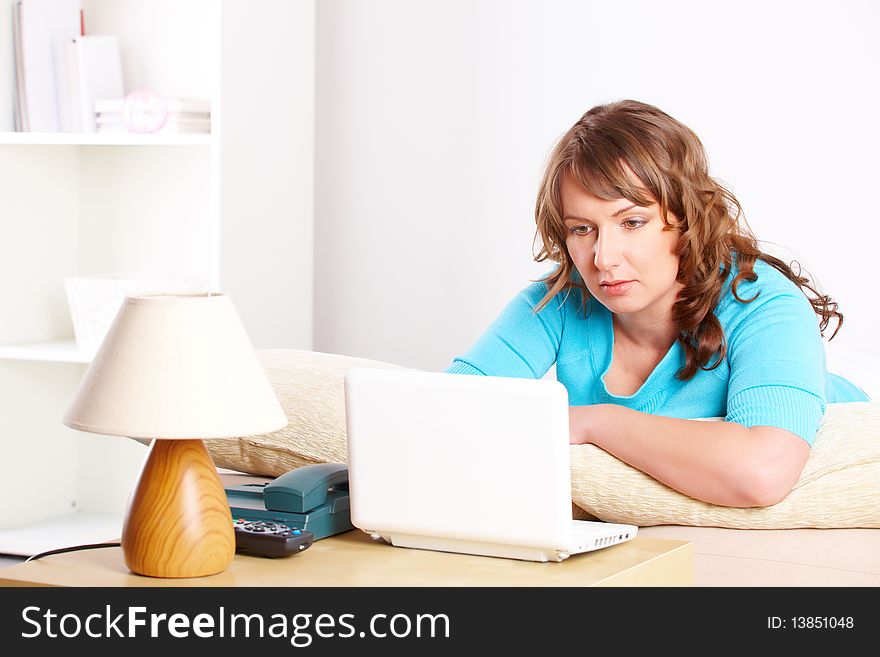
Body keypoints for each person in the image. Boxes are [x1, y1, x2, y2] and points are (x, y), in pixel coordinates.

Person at [445, 99, 869, 508]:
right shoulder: (559, 302)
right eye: (581, 229)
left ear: (687, 219)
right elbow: (443, 411)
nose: (603, 258)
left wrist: (595, 422)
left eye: (632, 222)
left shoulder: (763, 303)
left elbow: (762, 473)